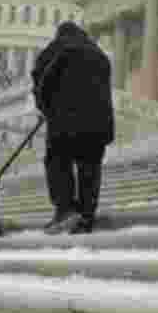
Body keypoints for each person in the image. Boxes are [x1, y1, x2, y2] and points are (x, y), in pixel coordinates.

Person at [32, 21, 114, 235]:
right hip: (98, 122)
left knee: (58, 162)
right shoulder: (99, 54)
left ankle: (66, 210)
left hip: (64, 119)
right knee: (90, 167)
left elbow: (41, 81)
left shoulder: (55, 49)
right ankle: (86, 215)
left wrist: (43, 107)